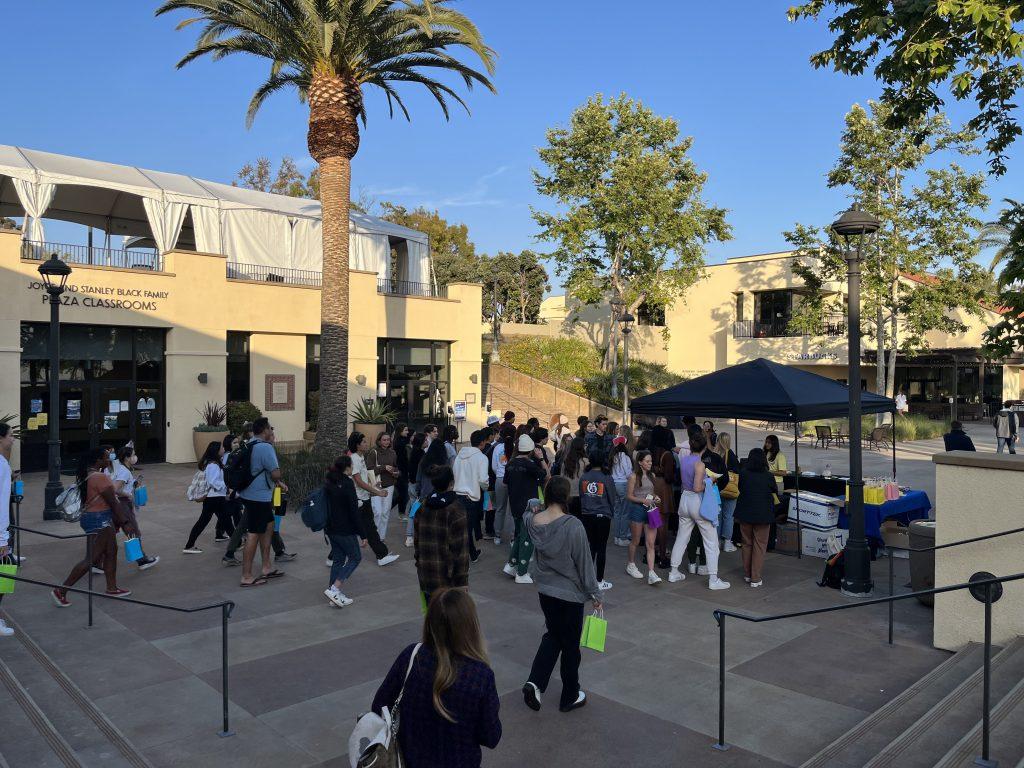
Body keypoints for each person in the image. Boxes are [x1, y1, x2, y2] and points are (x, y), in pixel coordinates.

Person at [370, 589, 501, 768]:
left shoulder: (411, 656)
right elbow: (491, 737)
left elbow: (379, 706)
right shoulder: (480, 676)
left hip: (408, 760)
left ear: (430, 622)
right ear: (471, 626)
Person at [523, 476, 602, 714]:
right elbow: (585, 563)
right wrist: (595, 593)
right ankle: (569, 694)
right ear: (566, 497)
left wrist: (535, 503)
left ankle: (535, 682)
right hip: (570, 593)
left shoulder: (533, 521)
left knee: (553, 635)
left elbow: (528, 507)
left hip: (545, 590)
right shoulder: (573, 525)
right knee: (570, 646)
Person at [52, 448, 134, 606]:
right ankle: (60, 590)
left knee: (111, 552)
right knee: (92, 558)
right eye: (105, 458)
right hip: (100, 520)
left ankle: (112, 588)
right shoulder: (100, 477)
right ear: (97, 461)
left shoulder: (86, 475)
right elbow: (114, 503)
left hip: (91, 518)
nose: (108, 460)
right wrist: (126, 523)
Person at [668, 432, 730, 590]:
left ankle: (673, 572)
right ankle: (713, 578)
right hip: (697, 500)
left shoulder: (685, 460)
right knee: (711, 542)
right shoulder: (700, 464)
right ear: (705, 447)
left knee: (682, 537)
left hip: (684, 500)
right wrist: (710, 481)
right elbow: (697, 487)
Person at [238, 418, 290, 587]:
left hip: (251, 493)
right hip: (258, 497)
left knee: (268, 525)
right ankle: (246, 576)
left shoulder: (250, 443)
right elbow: (275, 473)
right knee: (253, 534)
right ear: (265, 430)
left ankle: (266, 567)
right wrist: (279, 477)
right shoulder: (265, 447)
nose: (271, 432)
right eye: (270, 429)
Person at [415, 466, 469, 602]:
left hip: (425, 574)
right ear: (451, 483)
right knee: (448, 619)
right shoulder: (456, 510)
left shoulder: (422, 507)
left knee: (431, 617)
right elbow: (461, 551)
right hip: (448, 577)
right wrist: (462, 581)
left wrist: (419, 563)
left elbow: (417, 543)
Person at [502, 433, 549, 584]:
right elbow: (547, 475)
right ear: (530, 450)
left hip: (515, 504)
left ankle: (511, 564)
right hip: (529, 505)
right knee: (527, 538)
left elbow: (506, 482)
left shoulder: (510, 464)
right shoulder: (529, 464)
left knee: (519, 536)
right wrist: (541, 458)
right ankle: (521, 572)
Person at [350, 431, 400, 567]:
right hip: (359, 500)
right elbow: (358, 481)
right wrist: (377, 492)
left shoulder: (360, 457)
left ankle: (382, 554)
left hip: (363, 498)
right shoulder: (354, 458)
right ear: (357, 445)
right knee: (365, 528)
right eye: (364, 442)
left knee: (367, 528)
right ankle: (381, 555)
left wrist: (374, 484)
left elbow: (364, 478)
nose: (367, 444)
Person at [323, 455, 365, 608]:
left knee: (339, 559)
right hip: (345, 529)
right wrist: (363, 534)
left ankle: (332, 593)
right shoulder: (347, 483)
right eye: (351, 466)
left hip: (331, 528)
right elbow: (354, 511)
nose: (353, 468)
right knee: (355, 557)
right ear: (347, 467)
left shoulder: (329, 481)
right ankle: (334, 588)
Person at [734, 448, 778, 588]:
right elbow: (774, 490)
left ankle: (747, 574)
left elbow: (739, 488)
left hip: (745, 513)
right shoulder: (768, 475)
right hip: (763, 515)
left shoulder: (743, 473)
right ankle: (755, 577)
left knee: (746, 544)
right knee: (760, 545)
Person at [110, 444, 159, 570]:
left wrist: (135, 483)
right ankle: (142, 561)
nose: (135, 457)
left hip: (117, 505)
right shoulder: (124, 471)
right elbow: (115, 489)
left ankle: (96, 563)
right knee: (133, 532)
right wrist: (127, 494)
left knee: (108, 535)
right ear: (127, 458)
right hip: (123, 505)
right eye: (133, 455)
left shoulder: (123, 469)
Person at [183, 440, 233, 555]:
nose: (224, 449)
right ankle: (237, 542)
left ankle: (189, 545)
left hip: (214, 498)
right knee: (224, 520)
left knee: (221, 520)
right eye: (221, 448)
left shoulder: (214, 463)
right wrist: (226, 486)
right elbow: (213, 482)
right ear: (216, 451)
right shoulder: (213, 465)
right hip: (214, 498)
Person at [579, 449, 617, 591]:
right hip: (602, 516)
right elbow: (612, 497)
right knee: (601, 548)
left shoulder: (585, 476)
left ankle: (587, 579)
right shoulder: (606, 477)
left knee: (590, 548)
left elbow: (582, 496)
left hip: (587, 515)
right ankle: (599, 580)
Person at [624, 450, 662, 585]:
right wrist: (643, 501)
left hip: (651, 509)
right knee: (635, 540)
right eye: (647, 461)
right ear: (640, 462)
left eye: (651, 461)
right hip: (637, 509)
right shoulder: (634, 476)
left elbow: (651, 493)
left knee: (651, 543)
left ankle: (651, 572)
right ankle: (631, 564)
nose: (650, 463)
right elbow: (628, 496)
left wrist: (655, 498)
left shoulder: (652, 475)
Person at [453, 429, 490, 563]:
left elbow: (455, 472)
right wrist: (485, 488)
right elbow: (483, 480)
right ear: (482, 442)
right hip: (471, 497)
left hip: (457, 495)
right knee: (467, 530)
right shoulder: (481, 458)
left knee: (461, 528)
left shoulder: (459, 455)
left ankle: (472, 553)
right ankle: (465, 557)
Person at [366, 431, 399, 542]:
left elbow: (395, 467)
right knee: (378, 512)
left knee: (385, 512)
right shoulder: (373, 452)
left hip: (389, 484)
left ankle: (381, 537)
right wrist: (384, 467)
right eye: (384, 440)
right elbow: (369, 469)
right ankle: (374, 535)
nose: (386, 442)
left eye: (388, 440)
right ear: (379, 441)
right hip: (376, 485)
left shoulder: (393, 453)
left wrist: (396, 473)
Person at [713, 432, 741, 552]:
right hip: (729, 489)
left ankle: (717, 541)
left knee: (718, 516)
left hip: (716, 489)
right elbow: (737, 471)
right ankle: (727, 543)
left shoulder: (713, 454)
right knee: (728, 516)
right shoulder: (731, 454)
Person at [0, 423, 15, 635]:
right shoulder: (2, 464)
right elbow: (2, 503)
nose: (13, 439)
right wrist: (2, 538)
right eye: (11, 436)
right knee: (5, 570)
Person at [490, 424, 516, 546]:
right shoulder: (516, 447)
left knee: (500, 508)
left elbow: (494, 467)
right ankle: (512, 537)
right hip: (513, 480)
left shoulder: (497, 448)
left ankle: (497, 535)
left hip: (500, 479)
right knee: (512, 511)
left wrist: (500, 473)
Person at [405, 431, 427, 547]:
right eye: (425, 440)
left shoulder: (414, 452)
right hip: (417, 486)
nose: (427, 442)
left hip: (412, 484)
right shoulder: (421, 453)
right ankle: (409, 536)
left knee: (414, 510)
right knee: (414, 512)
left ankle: (412, 535)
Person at [609, 435, 632, 546]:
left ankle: (617, 537)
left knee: (617, 512)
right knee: (625, 512)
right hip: (623, 484)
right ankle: (623, 537)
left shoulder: (613, 456)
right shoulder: (625, 457)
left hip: (613, 484)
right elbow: (628, 473)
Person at [560, 436, 589, 518]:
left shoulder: (566, 461)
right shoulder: (586, 462)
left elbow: (562, 478)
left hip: (568, 494)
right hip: (582, 494)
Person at [419, 424, 447, 497]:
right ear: (428, 433)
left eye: (437, 431)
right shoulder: (426, 444)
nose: (437, 433)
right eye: (434, 432)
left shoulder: (434, 443)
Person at [393, 423, 411, 521]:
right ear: (400, 431)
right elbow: (402, 458)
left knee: (402, 492)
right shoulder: (400, 443)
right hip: (401, 470)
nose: (407, 432)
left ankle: (401, 512)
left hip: (402, 470)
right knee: (403, 493)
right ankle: (401, 513)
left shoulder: (402, 441)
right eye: (405, 430)